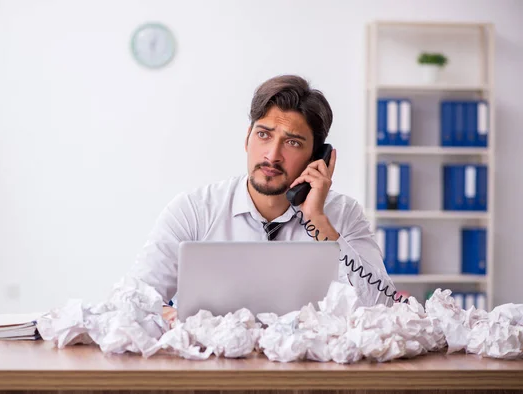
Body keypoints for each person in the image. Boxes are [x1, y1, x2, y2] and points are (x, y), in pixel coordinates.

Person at [128, 75, 396, 323]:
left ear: (316, 158)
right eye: (264, 135)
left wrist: (318, 223)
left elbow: (384, 309)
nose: (272, 155)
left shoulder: (343, 214)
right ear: (247, 138)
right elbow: (133, 300)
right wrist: (177, 320)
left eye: (292, 142)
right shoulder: (193, 210)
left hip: (307, 369)